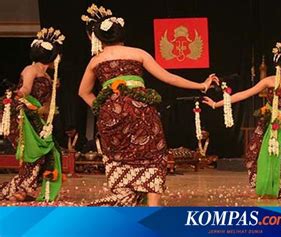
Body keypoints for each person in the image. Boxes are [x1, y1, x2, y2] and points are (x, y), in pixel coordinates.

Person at [78, 4, 218, 206]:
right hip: (141, 112)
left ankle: (124, 201)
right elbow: (169, 78)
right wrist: (201, 85)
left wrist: (103, 108)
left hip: (112, 116)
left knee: (118, 159)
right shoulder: (138, 53)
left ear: (99, 38)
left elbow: (83, 92)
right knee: (152, 156)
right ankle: (152, 209)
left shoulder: (95, 60)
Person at [203, 39, 281, 198]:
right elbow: (244, 94)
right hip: (267, 125)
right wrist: (217, 104)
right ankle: (263, 189)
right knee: (253, 155)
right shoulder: (270, 81)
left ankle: (279, 193)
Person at [0, 27, 65, 202]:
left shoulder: (47, 76)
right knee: (34, 154)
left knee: (49, 154)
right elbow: (26, 89)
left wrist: (53, 88)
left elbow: (46, 103)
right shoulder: (31, 69)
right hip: (24, 115)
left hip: (36, 116)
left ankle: (24, 188)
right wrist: (19, 93)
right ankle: (21, 189)